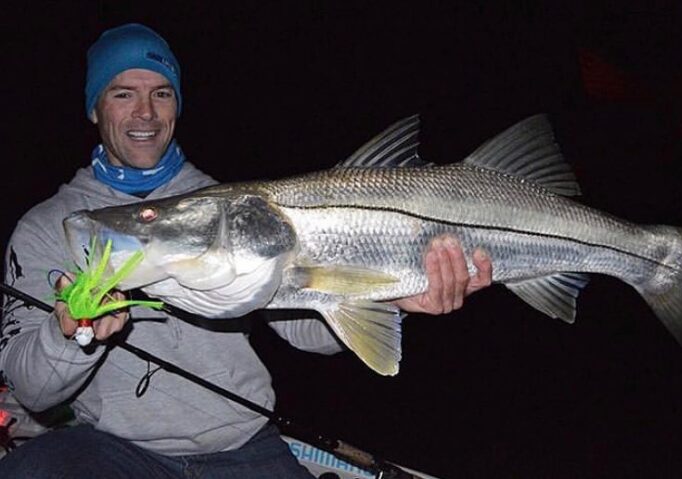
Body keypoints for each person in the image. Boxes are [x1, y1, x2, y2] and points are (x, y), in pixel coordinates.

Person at [0, 23, 492, 478]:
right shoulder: (51, 229)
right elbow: (32, 391)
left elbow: (301, 325)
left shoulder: (234, 207)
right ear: (94, 107)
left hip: (243, 444)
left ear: (177, 106)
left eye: (161, 93)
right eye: (123, 93)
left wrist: (393, 298)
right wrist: (70, 335)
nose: (145, 112)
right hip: (117, 450)